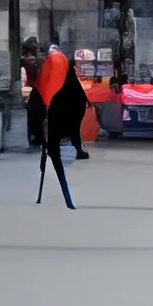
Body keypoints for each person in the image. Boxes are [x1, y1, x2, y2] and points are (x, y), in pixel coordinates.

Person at [34, 46, 87, 209]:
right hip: (58, 124)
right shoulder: (66, 80)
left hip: (54, 123)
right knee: (56, 158)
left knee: (54, 156)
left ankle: (67, 199)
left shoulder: (53, 72)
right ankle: (67, 200)